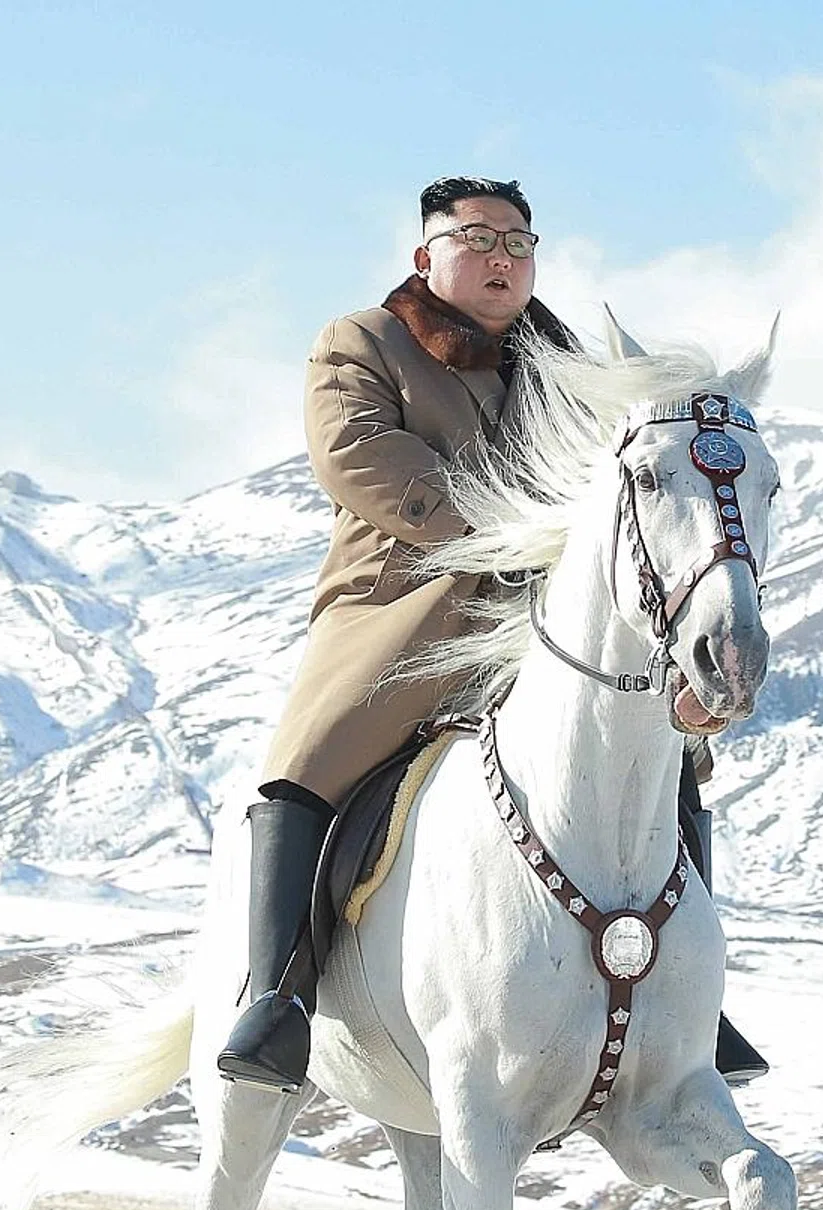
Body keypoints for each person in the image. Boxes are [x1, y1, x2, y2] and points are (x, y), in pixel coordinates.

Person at [214, 176, 768, 1094]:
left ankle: (693, 1003)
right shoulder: (362, 342)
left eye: (520, 241)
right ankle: (278, 999)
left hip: (544, 618)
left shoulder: (572, 369)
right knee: (314, 757)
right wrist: (498, 530)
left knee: (664, 757)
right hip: (407, 602)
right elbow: (359, 458)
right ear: (426, 256)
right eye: (478, 239)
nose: (503, 258)